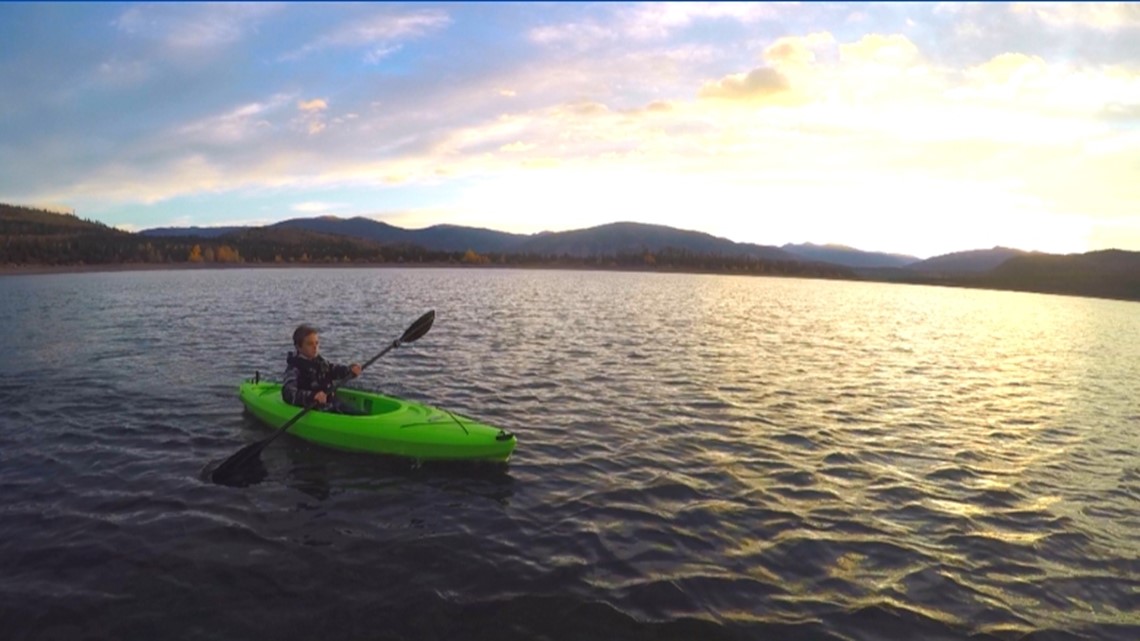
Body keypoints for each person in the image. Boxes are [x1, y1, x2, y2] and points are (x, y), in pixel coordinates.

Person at [282, 324, 364, 414]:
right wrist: (312, 396)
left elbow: (333, 370)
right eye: (310, 344)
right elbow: (288, 394)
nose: (315, 347)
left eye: (317, 343)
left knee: (358, 413)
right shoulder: (294, 368)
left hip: (332, 404)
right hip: (312, 409)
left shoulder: (320, 362)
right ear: (298, 347)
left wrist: (350, 370)